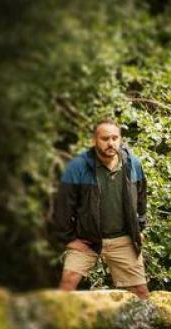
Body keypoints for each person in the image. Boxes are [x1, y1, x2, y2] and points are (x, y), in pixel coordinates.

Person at [51, 118, 150, 297]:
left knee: (140, 292)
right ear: (94, 140)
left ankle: (144, 326)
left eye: (115, 138)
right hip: (87, 240)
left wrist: (140, 227)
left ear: (120, 139)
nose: (110, 143)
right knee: (67, 283)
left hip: (122, 239)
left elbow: (142, 199)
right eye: (105, 139)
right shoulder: (78, 167)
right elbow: (62, 206)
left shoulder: (133, 164)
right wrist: (69, 238)